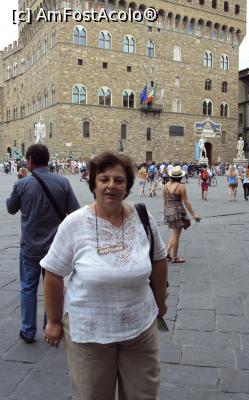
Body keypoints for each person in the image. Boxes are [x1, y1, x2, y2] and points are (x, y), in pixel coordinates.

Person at [41, 151, 168, 400]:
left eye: (119, 180)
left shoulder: (142, 217)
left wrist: (160, 302)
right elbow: (53, 273)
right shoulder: (74, 224)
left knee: (144, 394)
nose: (111, 186)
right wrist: (54, 321)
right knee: (93, 395)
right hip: (90, 333)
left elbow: (160, 258)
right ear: (93, 184)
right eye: (104, 179)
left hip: (139, 328)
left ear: (127, 186)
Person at [6, 144, 80, 344]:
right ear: (47, 160)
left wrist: (16, 187)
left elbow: (11, 208)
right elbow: (75, 212)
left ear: (29, 159)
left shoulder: (22, 185)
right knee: (54, 286)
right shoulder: (63, 182)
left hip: (30, 247)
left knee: (28, 287)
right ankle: (51, 324)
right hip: (56, 249)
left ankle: (28, 330)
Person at [163, 165, 201, 263]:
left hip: (168, 211)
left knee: (174, 232)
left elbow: (165, 201)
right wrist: (194, 215)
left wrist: (165, 212)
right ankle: (174, 257)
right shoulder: (181, 187)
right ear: (180, 177)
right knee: (176, 234)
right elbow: (186, 202)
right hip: (177, 211)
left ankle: (166, 253)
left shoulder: (166, 185)